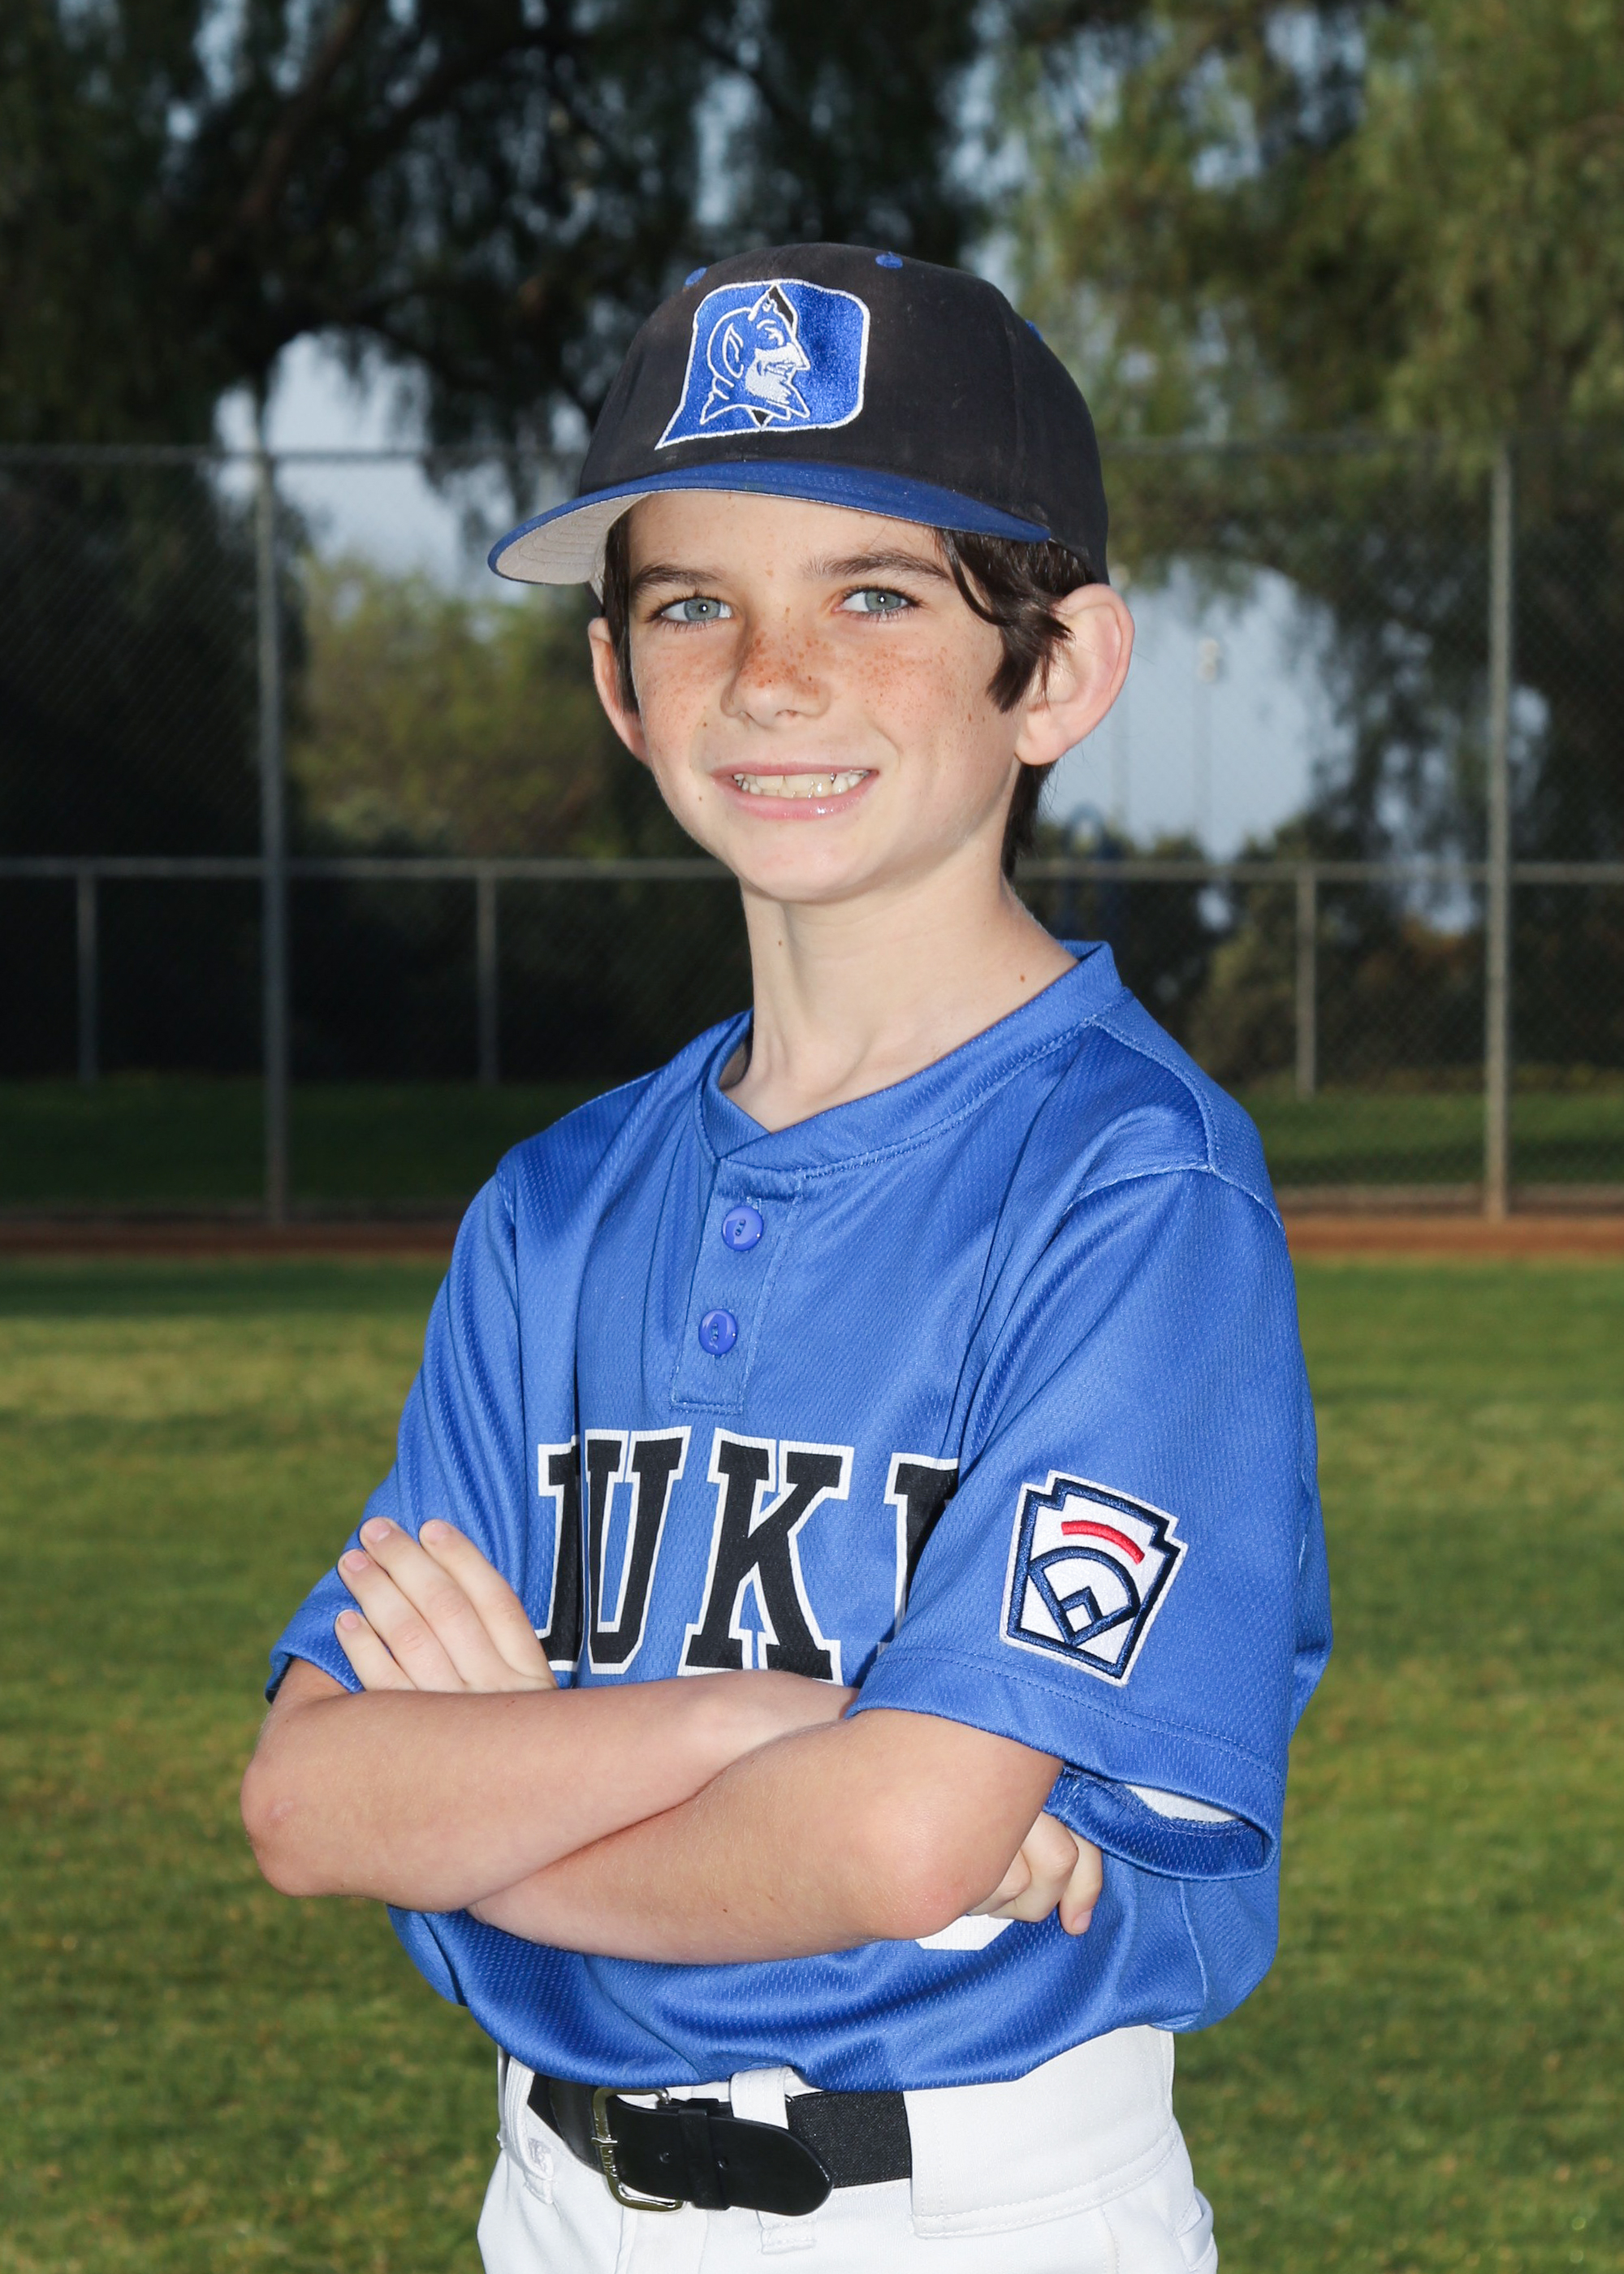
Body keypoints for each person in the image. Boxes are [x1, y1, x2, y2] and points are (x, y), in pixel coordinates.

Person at [242, 243, 1331, 2274]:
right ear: (617, 679)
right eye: (691, 604)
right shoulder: (555, 1206)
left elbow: (901, 1837)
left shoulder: (1133, 1188)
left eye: (877, 594)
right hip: (553, 2202)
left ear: (1058, 670)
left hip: (968, 2209)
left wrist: (503, 1808)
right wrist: (747, 1728)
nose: (769, 673)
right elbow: (311, 1800)